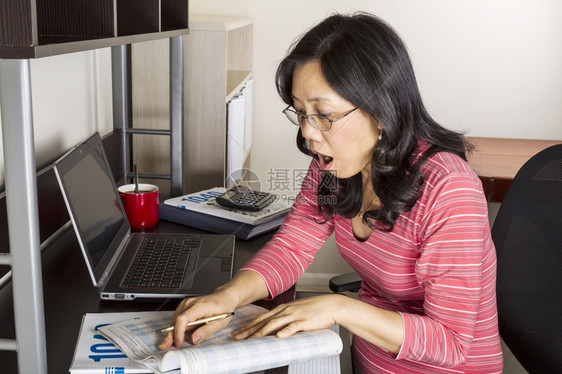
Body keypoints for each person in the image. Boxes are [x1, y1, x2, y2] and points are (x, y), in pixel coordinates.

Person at [159, 12, 503, 373]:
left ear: (382, 112)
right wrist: (226, 298)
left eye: (324, 114)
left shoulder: (449, 191)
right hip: (364, 359)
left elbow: (450, 342)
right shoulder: (332, 171)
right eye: (300, 112)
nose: (308, 132)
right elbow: (294, 245)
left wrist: (337, 307)